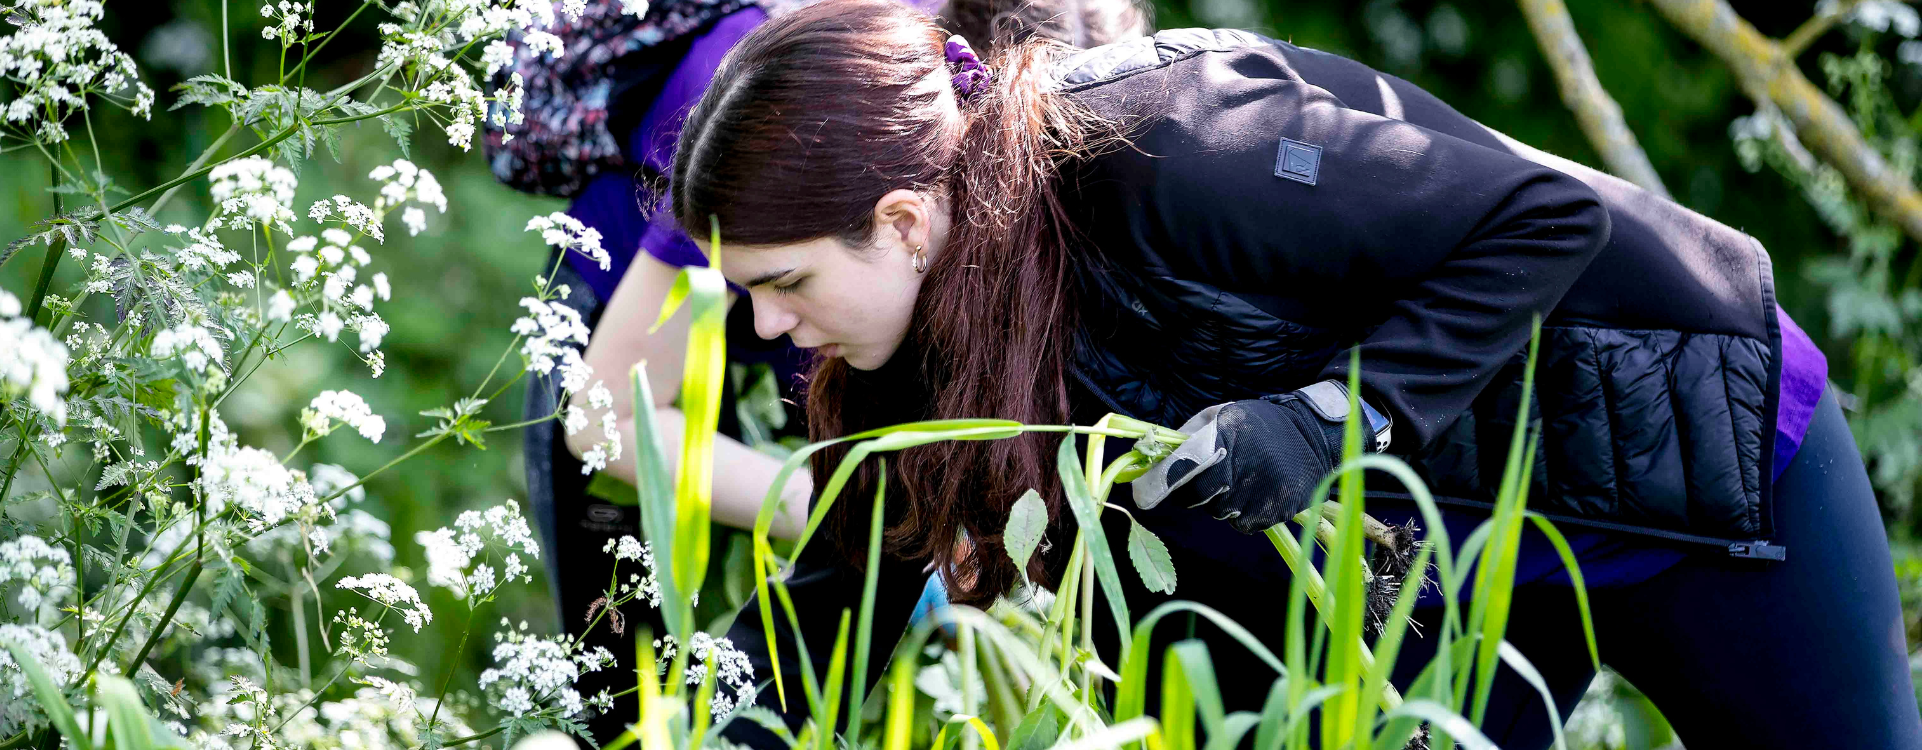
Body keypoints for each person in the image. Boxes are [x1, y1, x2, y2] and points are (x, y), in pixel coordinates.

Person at [662, 1, 1922, 748]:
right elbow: (842, 584)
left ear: (900, 220)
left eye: (781, 284)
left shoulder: (1173, 148)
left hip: (1687, 473)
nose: (769, 329)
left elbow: (1541, 219)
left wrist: (1334, 419)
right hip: (1456, 572)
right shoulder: (894, 348)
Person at [482, 0, 1148, 741]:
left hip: (828, 309)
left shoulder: (929, 195)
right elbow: (604, 422)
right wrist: (871, 516)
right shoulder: (772, 115)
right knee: (626, 703)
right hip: (623, 347)